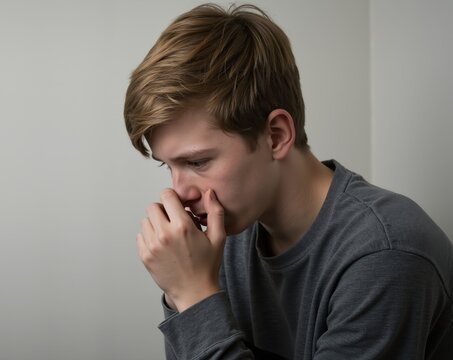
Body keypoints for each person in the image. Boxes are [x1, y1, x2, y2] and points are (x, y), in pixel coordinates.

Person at [123, 3, 453, 359]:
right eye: (167, 166)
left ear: (276, 136)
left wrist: (193, 298)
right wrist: (183, 292)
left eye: (198, 161)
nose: (181, 192)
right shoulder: (224, 236)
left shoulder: (385, 254)